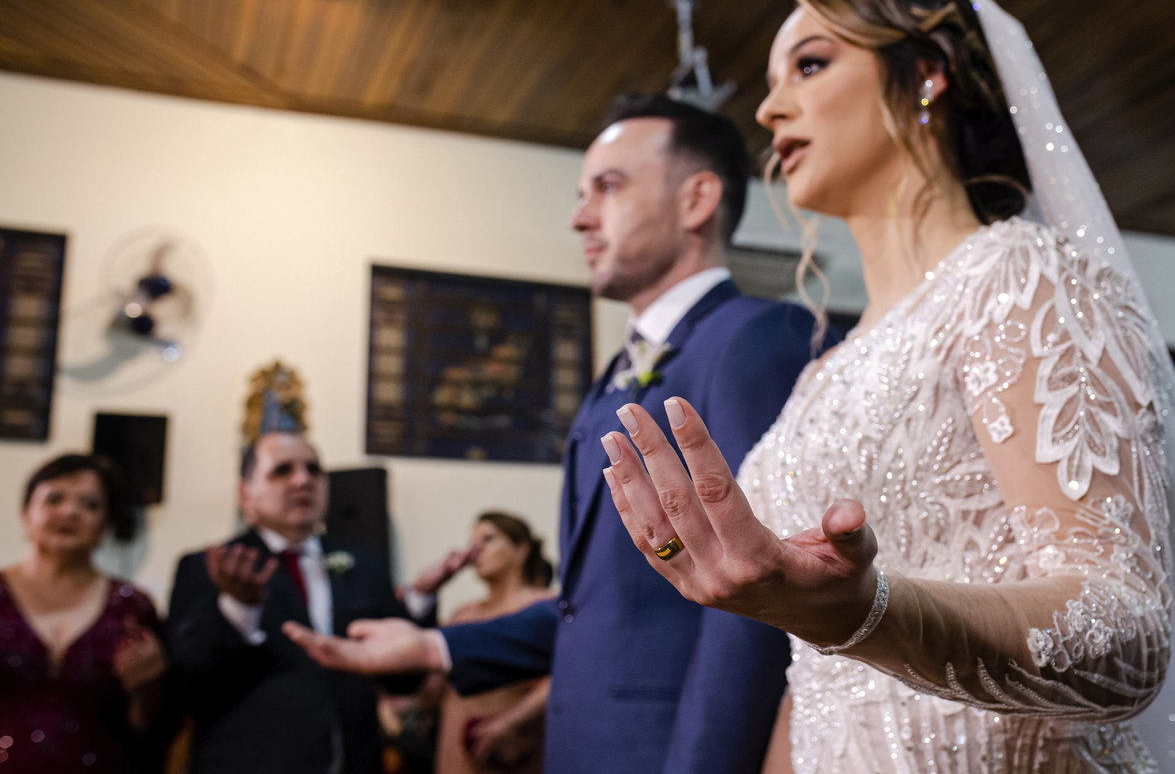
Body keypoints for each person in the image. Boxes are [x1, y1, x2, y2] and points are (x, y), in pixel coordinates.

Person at [600, 0, 1175, 772]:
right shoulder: (822, 373)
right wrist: (825, 620)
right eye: (772, 83)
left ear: (926, 74)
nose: (768, 110)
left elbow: (1124, 633)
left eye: (809, 65)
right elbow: (815, 681)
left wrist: (871, 612)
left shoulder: (1020, 277)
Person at [286, 94, 825, 773]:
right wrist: (435, 647)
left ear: (697, 200)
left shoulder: (756, 340)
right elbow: (590, 610)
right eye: (579, 195)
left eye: (608, 187)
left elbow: (756, 607)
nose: (579, 217)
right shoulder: (609, 379)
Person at [165, 431, 451, 774]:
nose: (303, 480)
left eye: (313, 469)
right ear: (246, 494)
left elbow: (402, 682)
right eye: (282, 470)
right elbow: (186, 689)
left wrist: (420, 599)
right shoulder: (210, 568)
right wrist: (239, 611)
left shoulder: (365, 565)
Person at [0, 453, 167, 774]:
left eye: (89, 505)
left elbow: (149, 727)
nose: (69, 512)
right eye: (54, 499)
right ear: (25, 513)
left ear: (107, 523)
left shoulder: (131, 608)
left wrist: (148, 688)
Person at [428, 511, 555, 773]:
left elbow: (564, 676)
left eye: (488, 539)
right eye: (472, 542)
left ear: (521, 550)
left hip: (514, 752)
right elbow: (437, 685)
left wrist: (510, 721)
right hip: (456, 748)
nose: (475, 551)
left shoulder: (543, 607)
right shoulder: (463, 615)